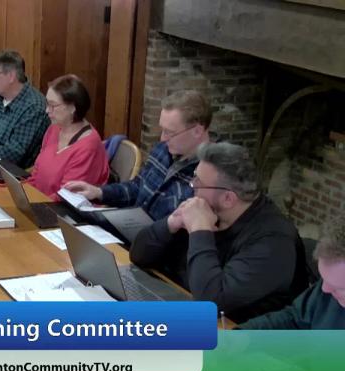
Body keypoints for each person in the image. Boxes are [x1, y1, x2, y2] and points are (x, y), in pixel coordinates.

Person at [129, 142, 309, 323]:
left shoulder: (274, 241)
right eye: (194, 177)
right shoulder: (206, 207)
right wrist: (170, 224)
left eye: (199, 183)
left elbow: (210, 302)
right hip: (176, 304)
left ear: (228, 199)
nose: (192, 186)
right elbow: (138, 255)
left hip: (236, 333)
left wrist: (200, 230)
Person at [64, 90, 212, 220]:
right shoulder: (162, 150)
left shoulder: (210, 174)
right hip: (131, 229)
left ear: (197, 131)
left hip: (158, 240)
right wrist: (99, 192)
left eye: (170, 132)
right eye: (162, 130)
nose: (162, 138)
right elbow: (137, 187)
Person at [240, 216, 345, 329]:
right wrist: (244, 332)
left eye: (340, 288)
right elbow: (295, 318)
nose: (324, 289)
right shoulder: (328, 289)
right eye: (323, 279)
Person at [27, 75, 109, 200]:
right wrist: (23, 194)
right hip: (40, 202)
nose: (47, 110)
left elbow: (67, 197)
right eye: (47, 104)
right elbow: (36, 175)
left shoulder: (88, 147)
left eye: (53, 105)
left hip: (63, 209)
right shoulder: (54, 129)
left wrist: (34, 203)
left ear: (72, 107)